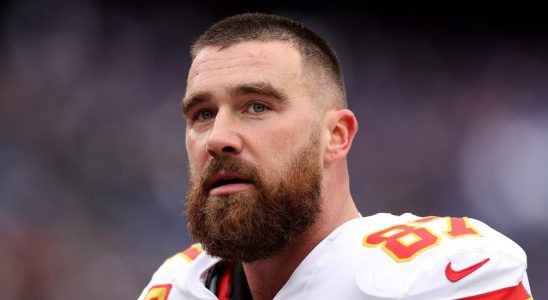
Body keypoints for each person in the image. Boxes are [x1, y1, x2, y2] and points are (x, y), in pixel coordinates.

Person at [138, 13, 532, 300]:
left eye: (256, 106)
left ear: (336, 136)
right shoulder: (175, 285)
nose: (218, 138)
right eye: (202, 114)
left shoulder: (447, 273)